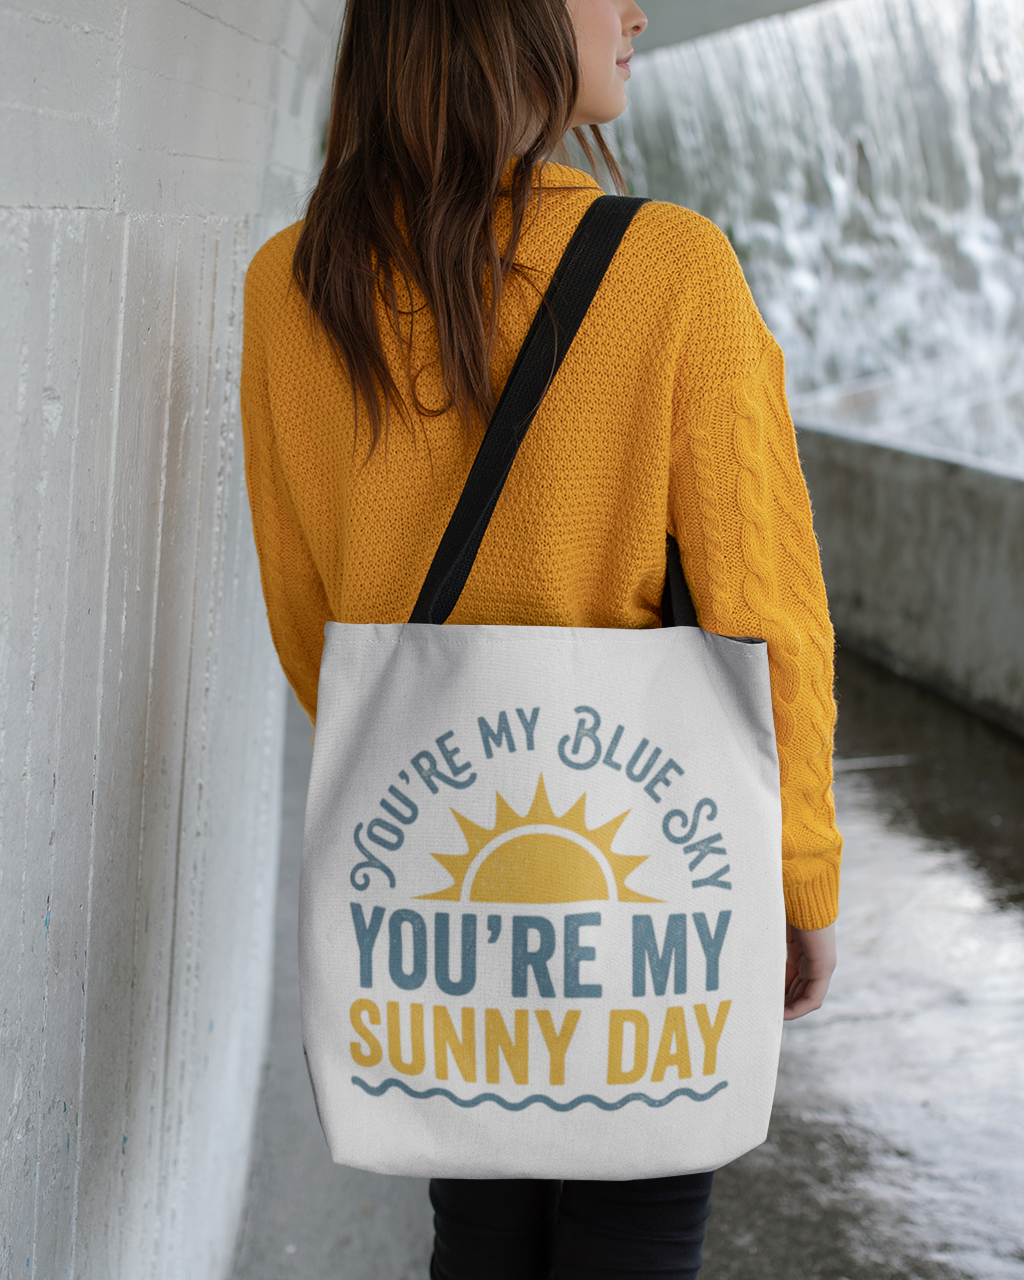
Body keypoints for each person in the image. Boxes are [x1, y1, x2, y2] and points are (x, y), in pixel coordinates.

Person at [240, 1, 840, 1275]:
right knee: (635, 1228)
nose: (636, 13)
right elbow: (764, 607)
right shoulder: (672, 269)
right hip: (651, 882)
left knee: (479, 1227)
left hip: (438, 890)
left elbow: (312, 624)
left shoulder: (293, 285)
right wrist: (797, 875)